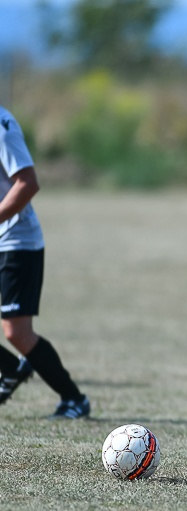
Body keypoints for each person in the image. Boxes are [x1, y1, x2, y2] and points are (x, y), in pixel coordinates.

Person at [0, 105, 90, 419]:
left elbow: (27, 183)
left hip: (15, 240)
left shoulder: (1, 125)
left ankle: (74, 399)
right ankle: (10, 367)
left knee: (17, 332)